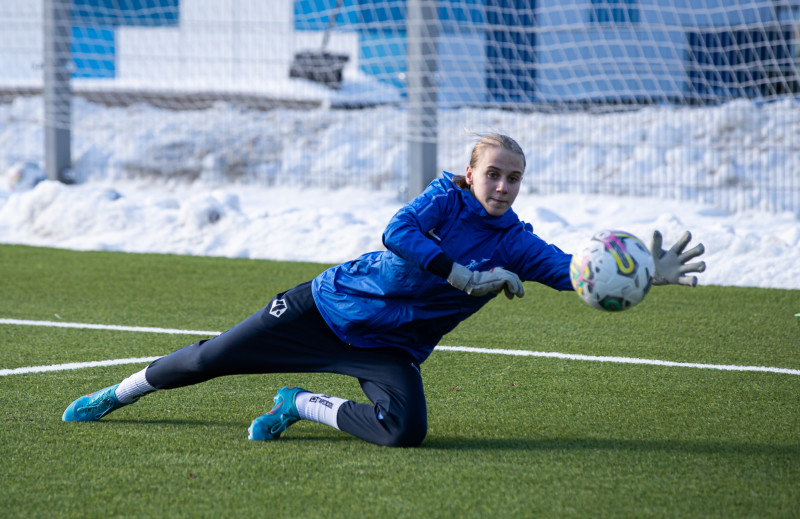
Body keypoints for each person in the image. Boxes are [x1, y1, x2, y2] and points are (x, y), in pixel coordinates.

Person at [62, 133, 706, 447]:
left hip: (388, 349)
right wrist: (462, 276)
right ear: (470, 173)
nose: (504, 186)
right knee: (208, 359)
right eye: (494, 174)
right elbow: (396, 231)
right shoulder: (440, 199)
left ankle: (299, 402)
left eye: (514, 178)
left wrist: (644, 272)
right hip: (325, 308)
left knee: (404, 434)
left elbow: (571, 271)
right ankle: (114, 395)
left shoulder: (517, 241)